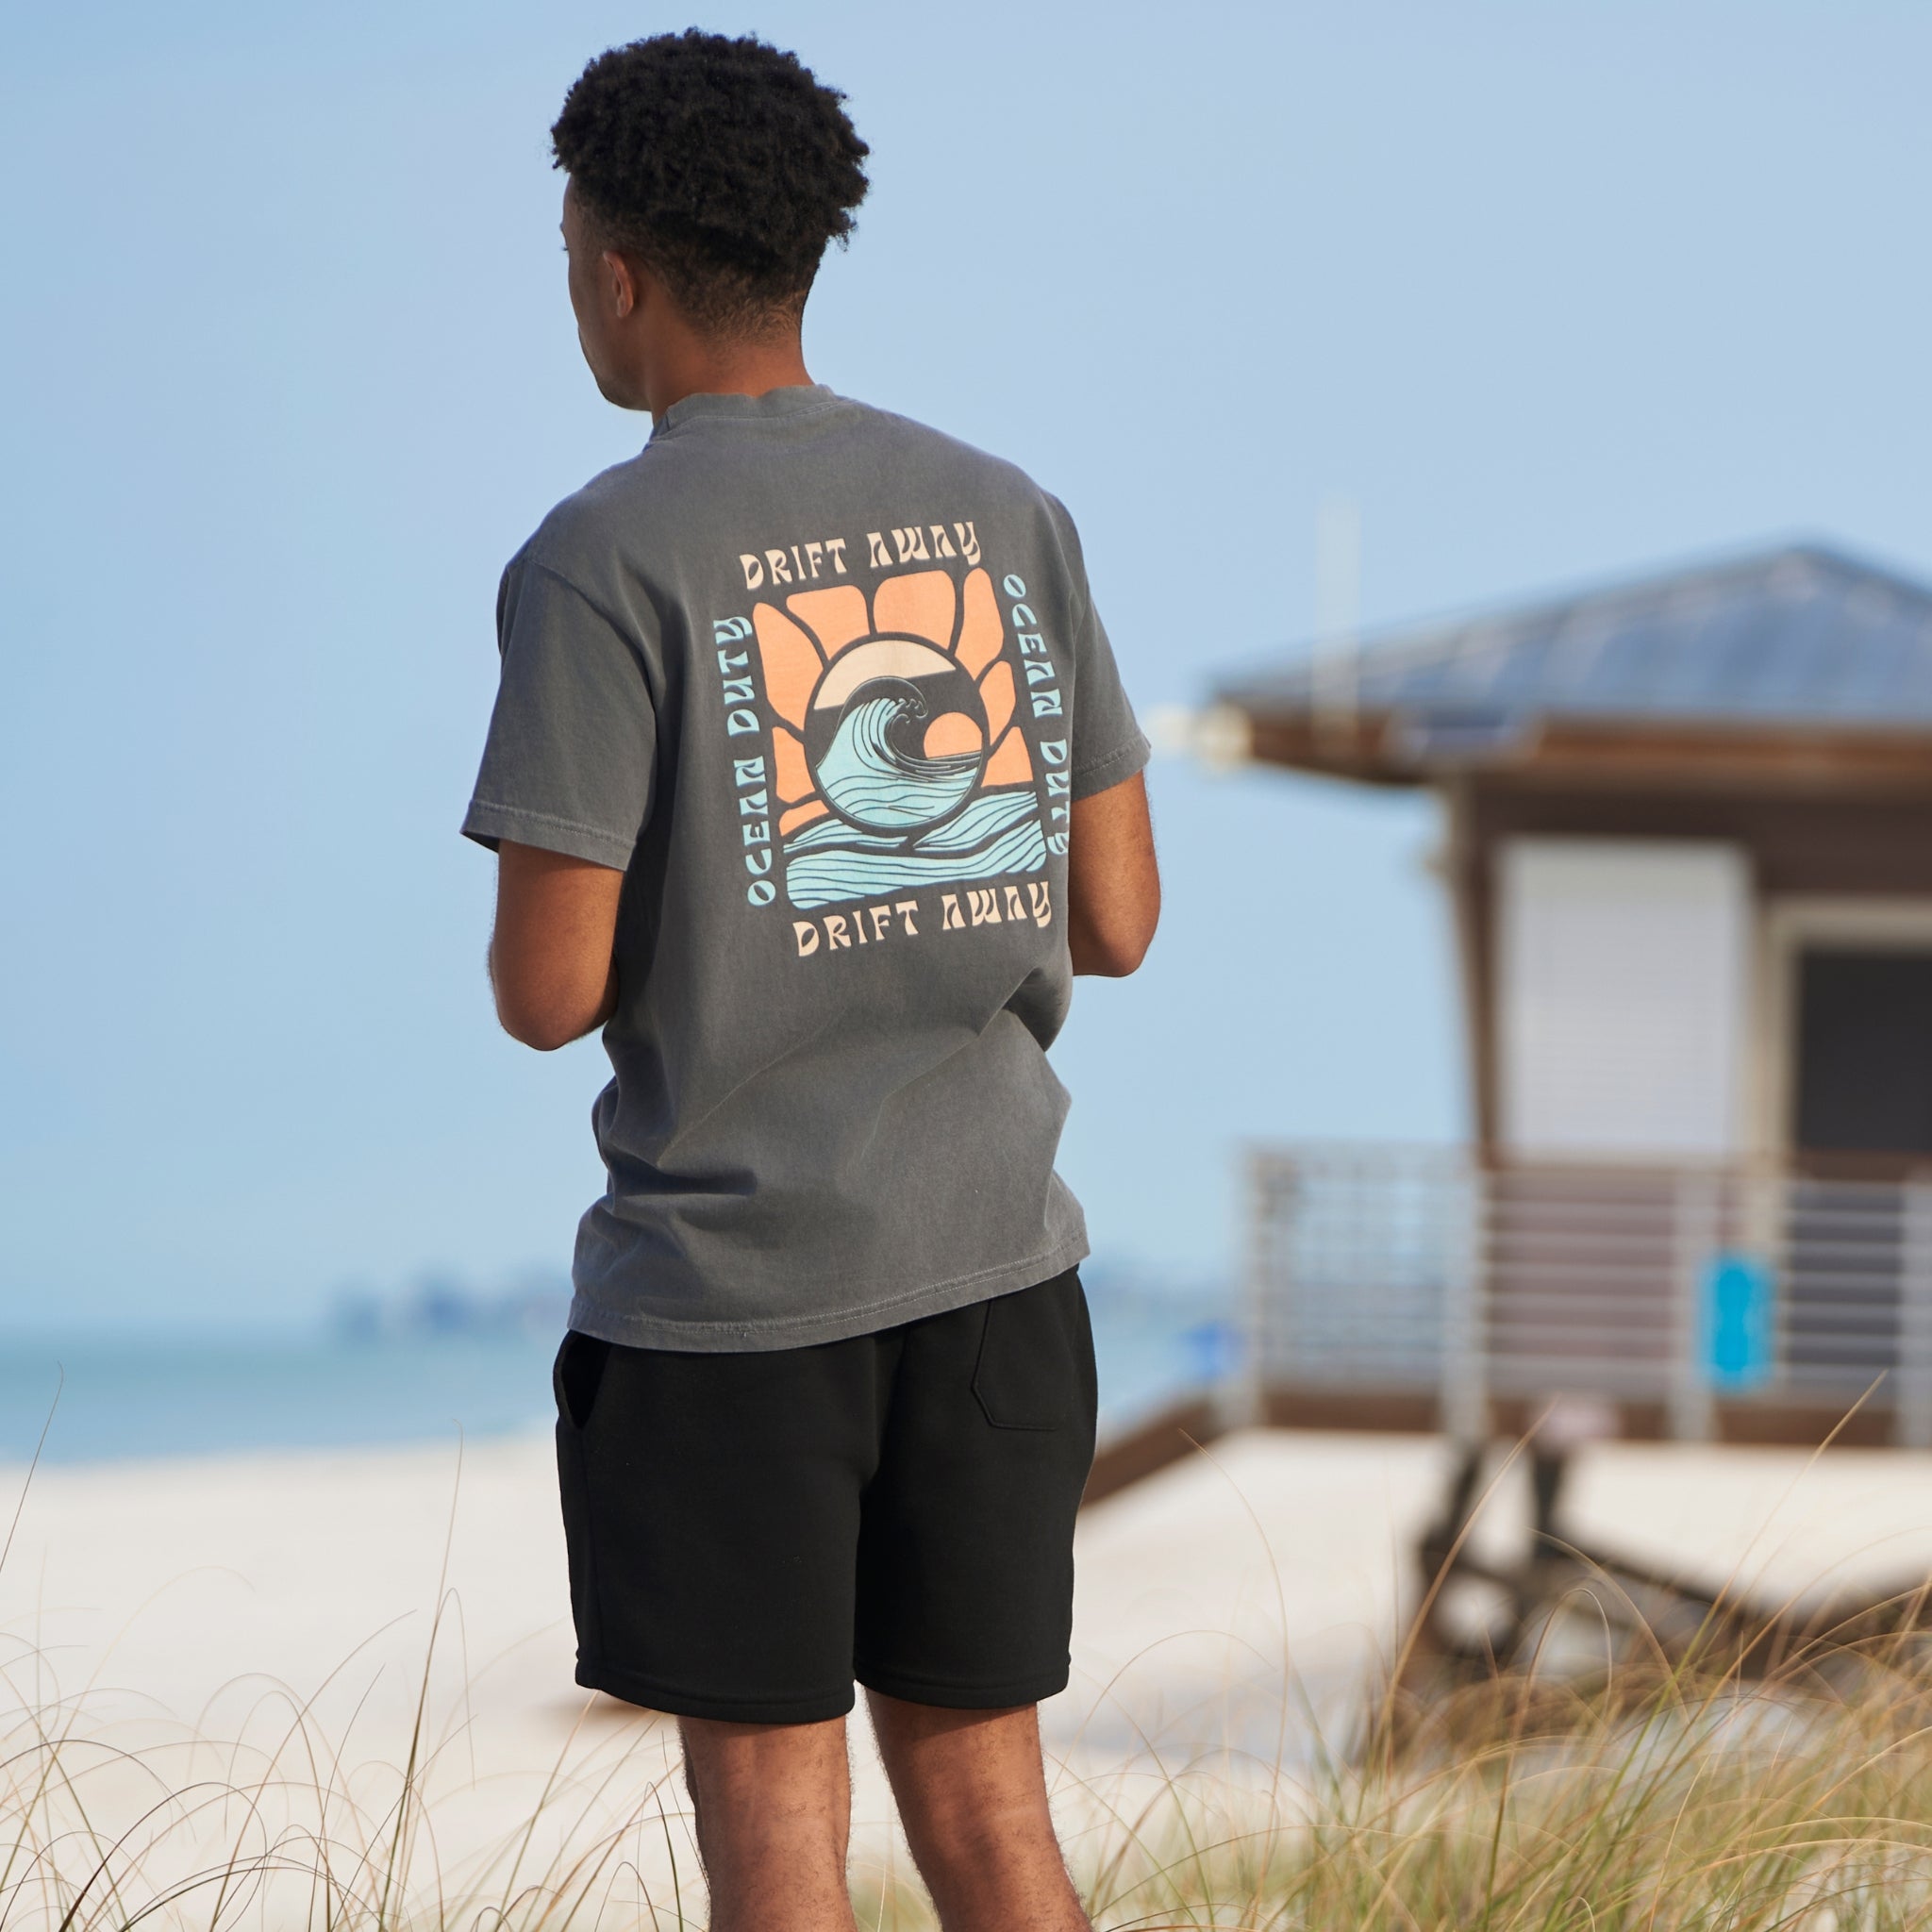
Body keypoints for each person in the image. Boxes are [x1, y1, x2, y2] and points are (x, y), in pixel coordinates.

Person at [462, 30, 1159, 1932]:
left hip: (736, 1302)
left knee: (776, 1831)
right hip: (1003, 1271)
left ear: (613, 270)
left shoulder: (602, 558)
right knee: (993, 1809)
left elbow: (546, 987)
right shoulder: (1006, 511)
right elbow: (1116, 916)